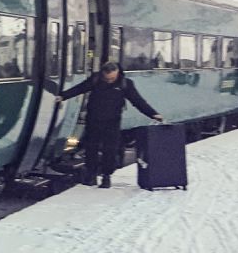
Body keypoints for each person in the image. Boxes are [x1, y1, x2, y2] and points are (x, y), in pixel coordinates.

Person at [59, 60, 165, 188]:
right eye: (107, 78)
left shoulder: (125, 84)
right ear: (103, 74)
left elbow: (138, 101)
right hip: (93, 120)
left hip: (112, 122)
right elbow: (80, 88)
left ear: (117, 73)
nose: (109, 81)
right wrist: (63, 96)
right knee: (91, 148)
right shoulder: (96, 79)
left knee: (109, 150)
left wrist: (153, 114)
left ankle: (106, 176)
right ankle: (91, 176)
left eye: (112, 78)